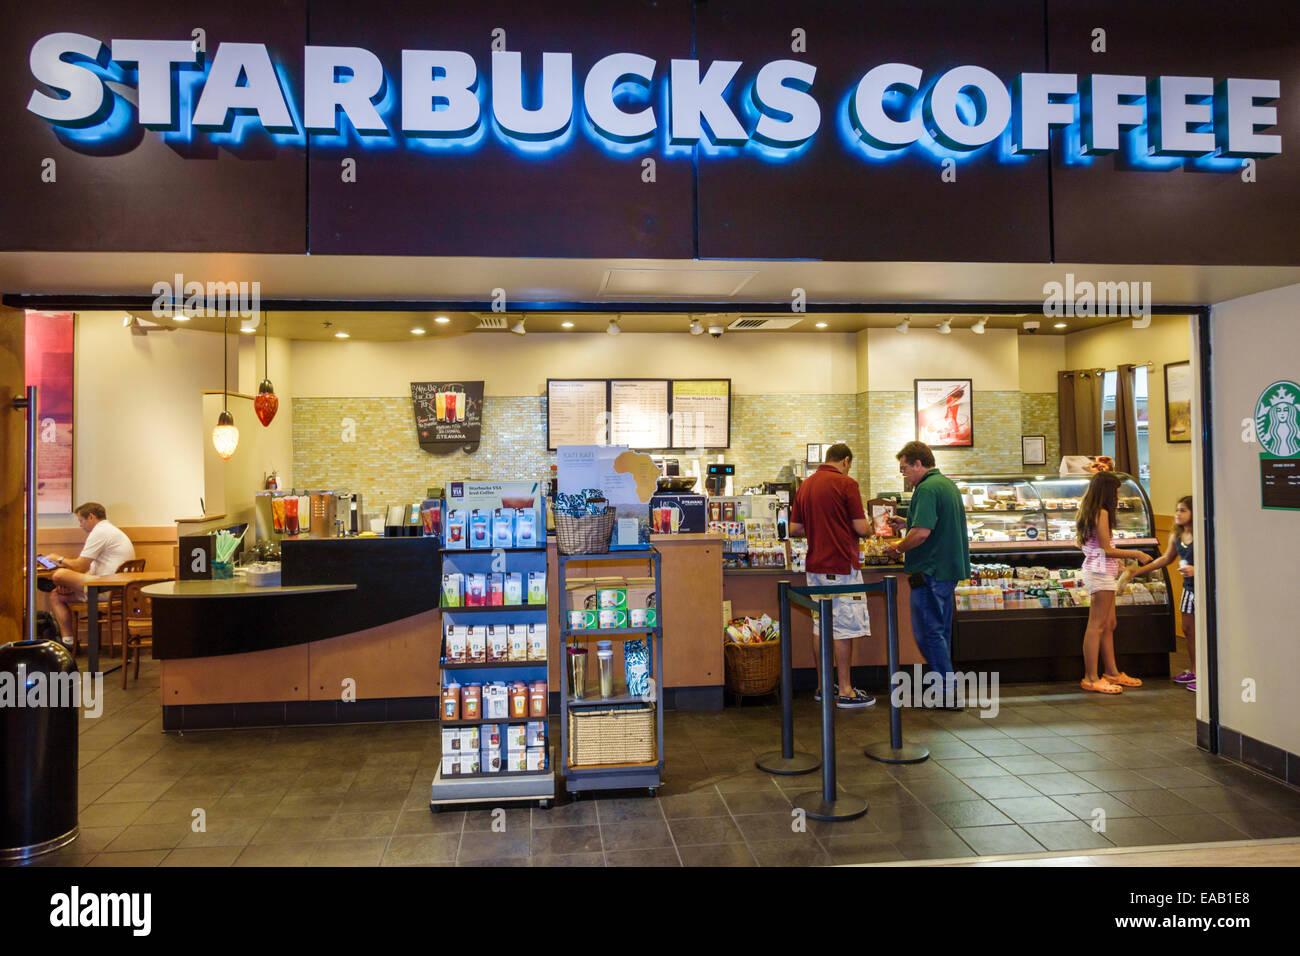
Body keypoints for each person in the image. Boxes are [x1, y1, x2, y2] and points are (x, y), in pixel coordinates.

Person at [789, 443, 875, 709]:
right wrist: (872, 527)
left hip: (815, 567)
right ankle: (846, 690)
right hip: (841, 566)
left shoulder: (806, 484)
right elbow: (861, 528)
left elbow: (794, 528)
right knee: (844, 627)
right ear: (846, 461)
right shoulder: (846, 484)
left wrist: (820, 530)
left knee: (820, 625)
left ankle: (823, 687)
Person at [885, 442, 970, 708]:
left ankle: (947, 692)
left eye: (905, 469)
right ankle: (946, 688)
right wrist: (906, 522)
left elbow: (922, 533)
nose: (904, 476)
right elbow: (930, 523)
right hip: (947, 570)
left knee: (929, 632)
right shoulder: (946, 485)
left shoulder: (926, 488)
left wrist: (898, 548)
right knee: (940, 631)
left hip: (930, 571)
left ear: (918, 464)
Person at [1075, 473, 1149, 694]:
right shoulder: (1102, 512)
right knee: (1096, 626)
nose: (1118, 495)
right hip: (1099, 574)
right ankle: (1091, 677)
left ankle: (1112, 672)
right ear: (1107, 491)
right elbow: (1106, 549)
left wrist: (1116, 562)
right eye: (1116, 491)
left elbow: (1086, 544)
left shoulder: (1091, 511)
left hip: (1101, 572)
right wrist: (1136, 553)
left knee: (1109, 625)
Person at [42, 502, 136, 649]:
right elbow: (89, 570)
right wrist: (73, 584)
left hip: (106, 588)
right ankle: (68, 643)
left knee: (59, 574)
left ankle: (59, 583)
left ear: (91, 517)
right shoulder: (111, 530)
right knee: (55, 596)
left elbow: (80, 565)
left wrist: (58, 559)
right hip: (115, 588)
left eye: (81, 520)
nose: (80, 525)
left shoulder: (100, 532)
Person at [1132, 495, 1197, 691]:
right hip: (1189, 588)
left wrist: (1197, 570)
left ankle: (1208, 673)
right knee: (1189, 630)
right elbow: (1166, 558)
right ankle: (1196, 670)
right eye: (1177, 510)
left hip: (1205, 588)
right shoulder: (1176, 535)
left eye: (1183, 510)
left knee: (1207, 631)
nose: (1178, 514)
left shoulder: (1204, 533)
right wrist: (1139, 570)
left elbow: (1217, 560)